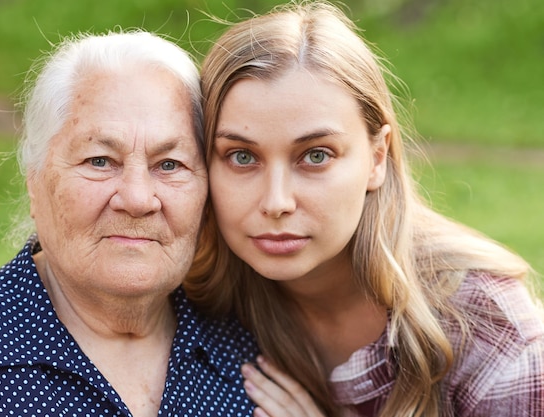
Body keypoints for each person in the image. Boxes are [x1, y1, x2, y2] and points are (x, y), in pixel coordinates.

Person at [185, 1, 544, 416]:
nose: (276, 202)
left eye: (316, 156)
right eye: (242, 157)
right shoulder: (194, 297)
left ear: (377, 158)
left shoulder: (488, 331)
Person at [0, 30, 260, 416]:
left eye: (169, 165)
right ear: (35, 181)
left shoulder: (252, 355)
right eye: (100, 161)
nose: (136, 199)